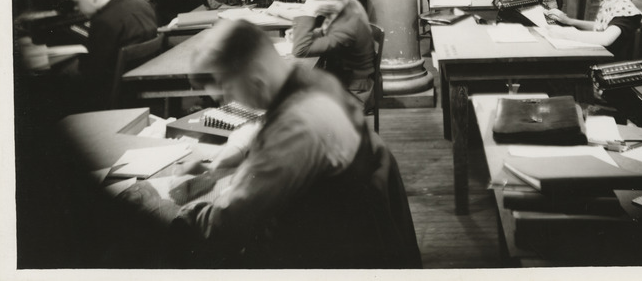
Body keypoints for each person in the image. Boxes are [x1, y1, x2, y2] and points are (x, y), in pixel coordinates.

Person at [118, 19, 421, 268]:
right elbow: (268, 130)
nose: (224, 104)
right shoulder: (314, 81)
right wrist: (223, 164)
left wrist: (157, 208)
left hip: (325, 252)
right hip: (348, 226)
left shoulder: (296, 127)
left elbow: (226, 225)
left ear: (256, 81)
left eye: (225, 95)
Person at [67, 0, 158, 110]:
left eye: (77, 2)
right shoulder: (142, 5)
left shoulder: (103, 21)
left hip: (115, 98)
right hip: (140, 90)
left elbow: (91, 74)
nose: (78, 9)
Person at [291, 0, 375, 109]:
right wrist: (312, 34)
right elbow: (328, 32)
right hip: (344, 78)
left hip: (352, 92)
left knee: (294, 99)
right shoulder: (347, 4)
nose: (310, 1)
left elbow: (300, 50)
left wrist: (310, 11)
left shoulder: (346, 26)